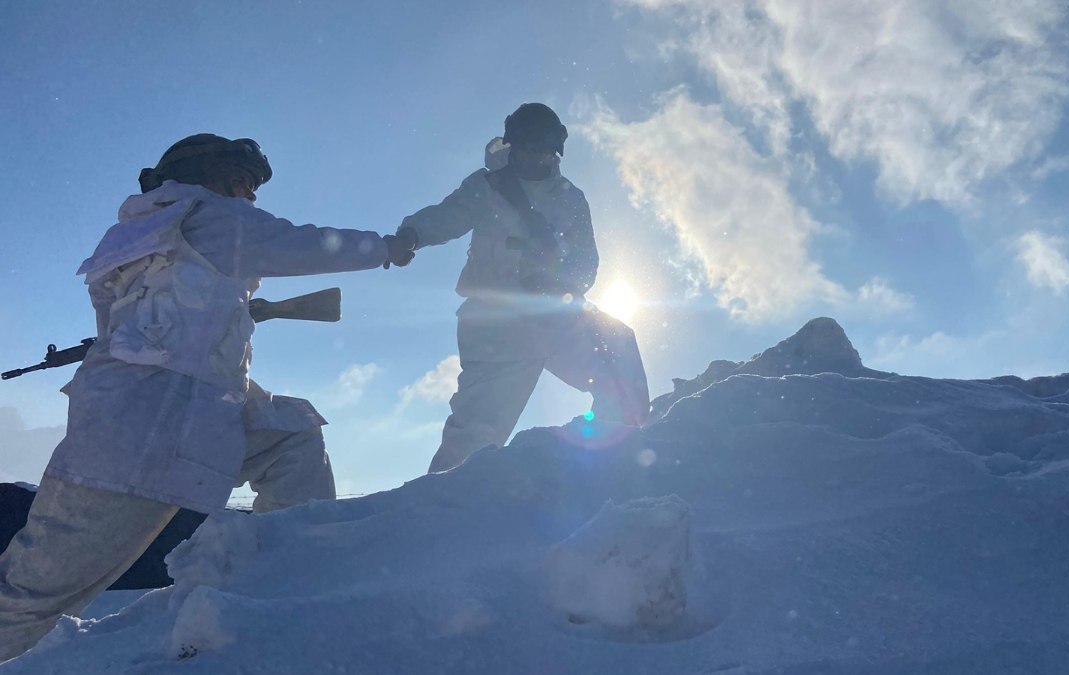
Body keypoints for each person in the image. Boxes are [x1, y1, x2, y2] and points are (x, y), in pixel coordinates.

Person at [0, 133, 415, 661]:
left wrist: (236, 311)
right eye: (243, 182)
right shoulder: (211, 217)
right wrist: (389, 247)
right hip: (132, 448)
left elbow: (158, 320)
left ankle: (277, 591)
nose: (252, 197)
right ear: (208, 175)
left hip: (189, 412)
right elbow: (308, 242)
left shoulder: (141, 230)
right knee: (30, 598)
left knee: (292, 439)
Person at [396, 103, 650, 473]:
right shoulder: (486, 188)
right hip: (494, 325)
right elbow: (446, 216)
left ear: (555, 151)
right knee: (473, 437)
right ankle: (440, 508)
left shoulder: (570, 198)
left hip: (555, 316)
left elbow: (586, 263)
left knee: (618, 346)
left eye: (541, 148)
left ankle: (619, 457)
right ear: (512, 145)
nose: (532, 156)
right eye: (525, 146)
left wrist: (558, 284)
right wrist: (411, 235)